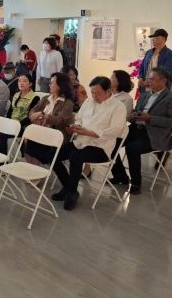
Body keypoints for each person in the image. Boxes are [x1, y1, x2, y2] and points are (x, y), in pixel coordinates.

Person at [49, 76, 127, 210]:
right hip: (81, 141)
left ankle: (71, 193)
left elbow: (115, 130)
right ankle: (68, 187)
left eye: (97, 93)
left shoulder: (118, 107)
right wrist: (76, 126)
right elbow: (79, 118)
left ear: (108, 91)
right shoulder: (89, 101)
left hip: (101, 148)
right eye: (92, 92)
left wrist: (89, 132)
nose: (94, 96)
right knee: (52, 154)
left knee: (75, 156)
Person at [111, 67, 172, 194]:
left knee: (132, 149)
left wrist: (150, 118)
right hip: (135, 128)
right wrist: (133, 115)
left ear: (163, 81)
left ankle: (136, 183)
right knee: (111, 143)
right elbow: (136, 111)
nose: (149, 82)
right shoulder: (144, 95)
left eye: (152, 79)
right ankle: (120, 176)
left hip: (154, 133)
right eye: (149, 79)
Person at [22, 73, 74, 167]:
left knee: (30, 139)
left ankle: (37, 169)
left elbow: (60, 121)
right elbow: (33, 110)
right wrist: (34, 115)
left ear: (60, 86)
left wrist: (43, 115)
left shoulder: (67, 103)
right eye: (50, 82)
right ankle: (34, 168)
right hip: (41, 130)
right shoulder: (46, 98)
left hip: (56, 133)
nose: (49, 85)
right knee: (27, 139)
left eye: (52, 83)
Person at [0, 73, 39, 155]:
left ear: (30, 84)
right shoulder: (16, 95)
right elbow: (10, 111)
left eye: (24, 81)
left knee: (2, 135)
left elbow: (30, 117)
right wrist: (8, 122)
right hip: (12, 123)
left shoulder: (35, 98)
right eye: (19, 81)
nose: (21, 83)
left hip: (22, 126)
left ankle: (1, 160)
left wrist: (17, 124)